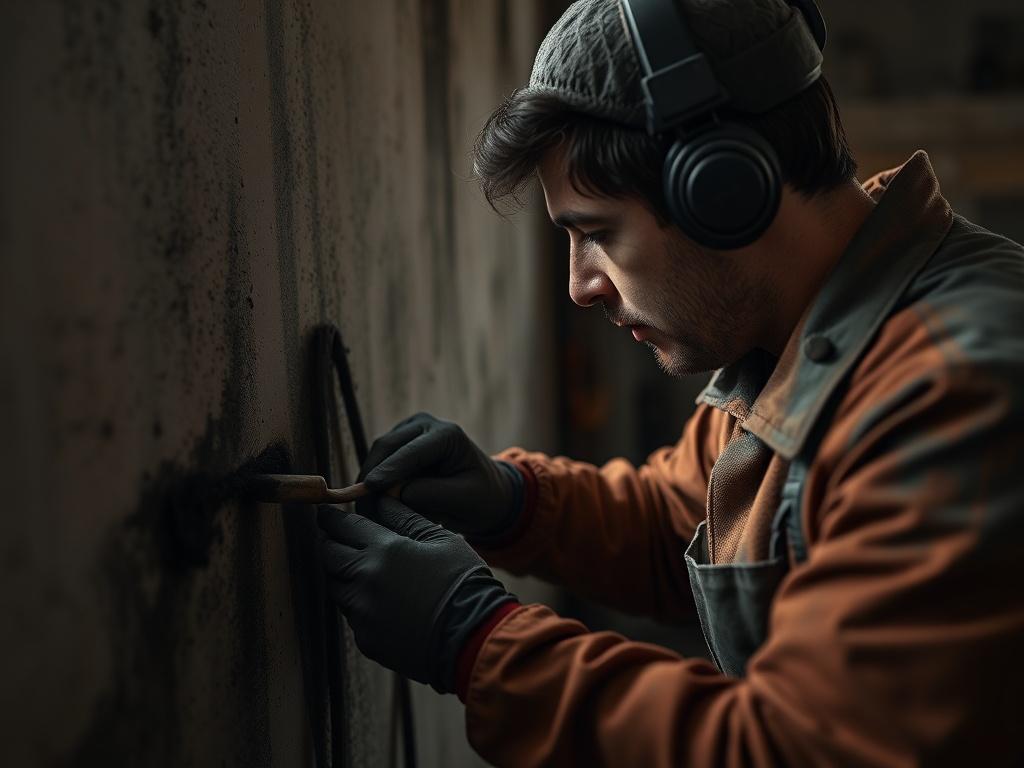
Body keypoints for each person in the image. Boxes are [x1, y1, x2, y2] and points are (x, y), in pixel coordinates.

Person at [317, 0, 1024, 764]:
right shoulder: (808, 333)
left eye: (597, 233)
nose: (582, 286)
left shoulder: (953, 392)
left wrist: (479, 641)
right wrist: (512, 501)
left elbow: (804, 750)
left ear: (722, 193)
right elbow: (681, 521)